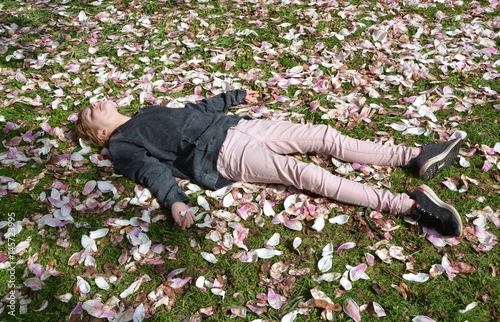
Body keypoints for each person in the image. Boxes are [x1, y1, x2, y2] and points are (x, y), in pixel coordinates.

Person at [75, 90, 463, 237]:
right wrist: (175, 199)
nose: (95, 103)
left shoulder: (145, 110)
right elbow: (152, 171)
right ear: (97, 134)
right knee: (307, 175)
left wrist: (229, 98)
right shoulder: (121, 145)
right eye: (89, 112)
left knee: (324, 136)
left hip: (235, 125)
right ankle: (409, 206)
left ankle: (413, 158)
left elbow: (189, 111)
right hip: (222, 154)